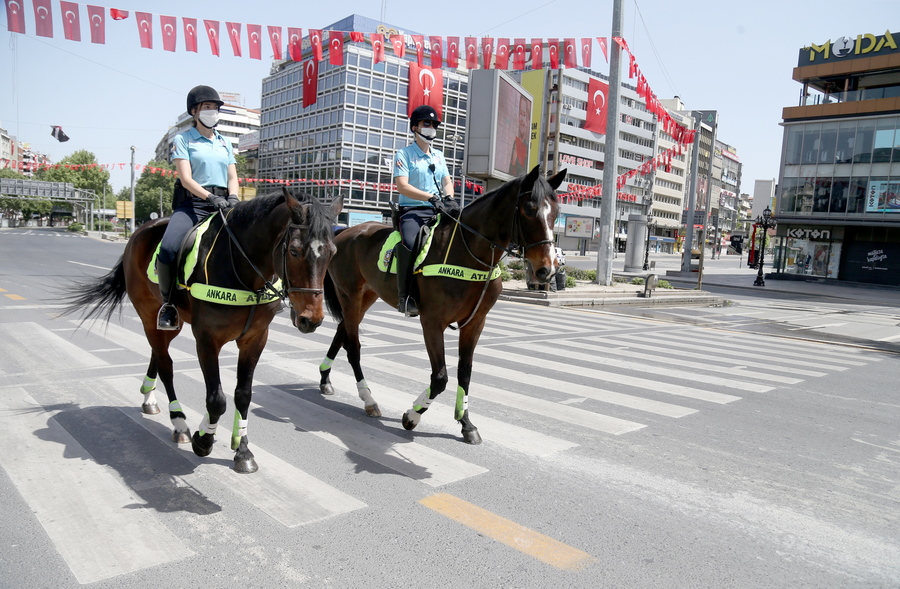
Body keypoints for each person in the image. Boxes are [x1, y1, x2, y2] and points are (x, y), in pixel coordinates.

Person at [156, 85, 239, 330]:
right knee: (169, 249)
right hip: (193, 204)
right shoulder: (183, 140)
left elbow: (232, 175)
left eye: (214, 108)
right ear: (194, 111)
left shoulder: (225, 142)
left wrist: (233, 197)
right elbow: (186, 179)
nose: (212, 112)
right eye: (206, 107)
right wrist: (209, 197)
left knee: (254, 240)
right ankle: (168, 305)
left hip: (224, 203)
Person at [391, 105, 460, 317]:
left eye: (434, 125)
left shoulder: (439, 156)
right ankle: (406, 296)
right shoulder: (403, 154)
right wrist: (430, 197)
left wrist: (449, 198)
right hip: (413, 211)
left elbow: (447, 181)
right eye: (426, 124)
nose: (431, 128)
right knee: (411, 243)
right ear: (415, 127)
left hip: (439, 210)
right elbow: (402, 186)